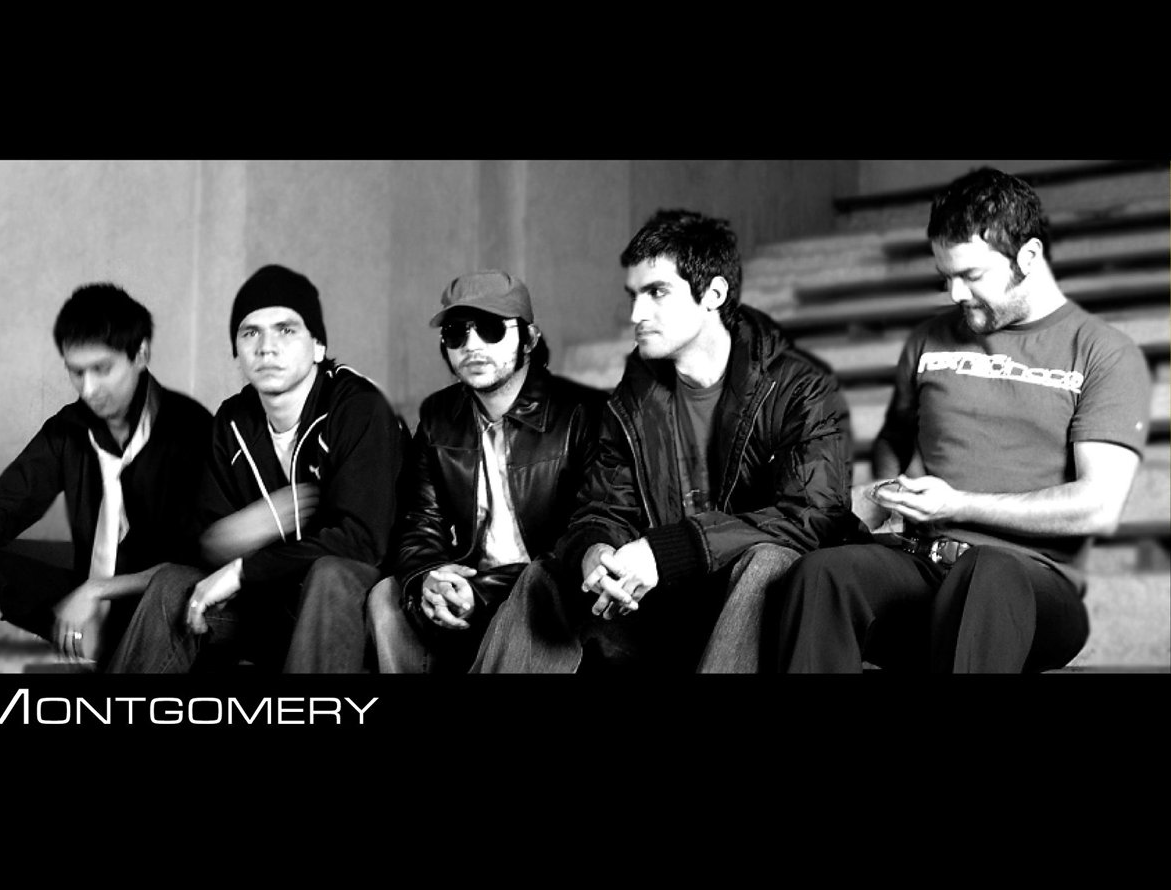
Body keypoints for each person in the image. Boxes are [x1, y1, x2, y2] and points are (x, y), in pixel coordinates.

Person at [770, 167, 1152, 673]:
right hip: (921, 562)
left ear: (1028, 257)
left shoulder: (1104, 352)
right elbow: (894, 438)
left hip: (1031, 583)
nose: (953, 293)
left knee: (987, 573)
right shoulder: (928, 340)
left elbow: (1096, 506)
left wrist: (958, 503)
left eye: (970, 275)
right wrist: (891, 490)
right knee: (820, 574)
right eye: (944, 276)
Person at [473, 209, 856, 673]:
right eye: (634, 295)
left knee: (768, 563)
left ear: (713, 294)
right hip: (662, 609)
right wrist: (597, 554)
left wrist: (672, 551)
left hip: (749, 608)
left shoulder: (798, 390)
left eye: (657, 292)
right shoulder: (633, 399)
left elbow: (814, 514)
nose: (636, 314)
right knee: (546, 578)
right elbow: (603, 508)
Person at [108, 264, 408, 673]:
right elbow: (206, 539)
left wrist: (244, 568)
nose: (267, 347)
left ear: (318, 346)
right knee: (173, 586)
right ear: (237, 352)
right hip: (271, 603)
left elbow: (363, 541)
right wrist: (248, 530)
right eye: (250, 333)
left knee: (330, 573)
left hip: (352, 610)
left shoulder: (358, 407)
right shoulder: (233, 420)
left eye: (286, 330)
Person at [0, 283, 212, 673]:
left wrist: (98, 590)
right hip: (79, 611)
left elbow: (194, 568)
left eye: (102, 370)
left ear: (140, 354)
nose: (89, 389)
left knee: (168, 596)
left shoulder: (190, 430)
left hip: (150, 613)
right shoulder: (68, 430)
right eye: (76, 372)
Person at [365, 271, 605, 672]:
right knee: (387, 595)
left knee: (535, 590)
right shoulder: (438, 417)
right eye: (456, 333)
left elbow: (580, 539)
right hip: (467, 588)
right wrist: (429, 577)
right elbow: (418, 523)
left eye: (491, 329)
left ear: (529, 339)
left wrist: (482, 591)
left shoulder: (582, 414)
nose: (472, 345)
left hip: (544, 595)